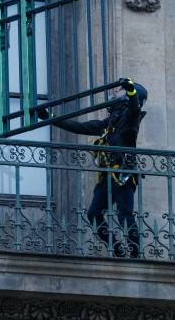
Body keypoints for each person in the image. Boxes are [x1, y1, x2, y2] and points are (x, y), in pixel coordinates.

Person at [51, 77, 148, 258]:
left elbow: (135, 108)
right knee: (94, 214)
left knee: (124, 215)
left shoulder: (130, 119)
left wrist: (132, 90)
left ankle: (136, 253)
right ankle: (117, 248)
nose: (114, 91)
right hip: (107, 178)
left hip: (123, 176)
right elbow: (79, 127)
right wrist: (51, 118)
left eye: (119, 90)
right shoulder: (108, 123)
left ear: (127, 96)